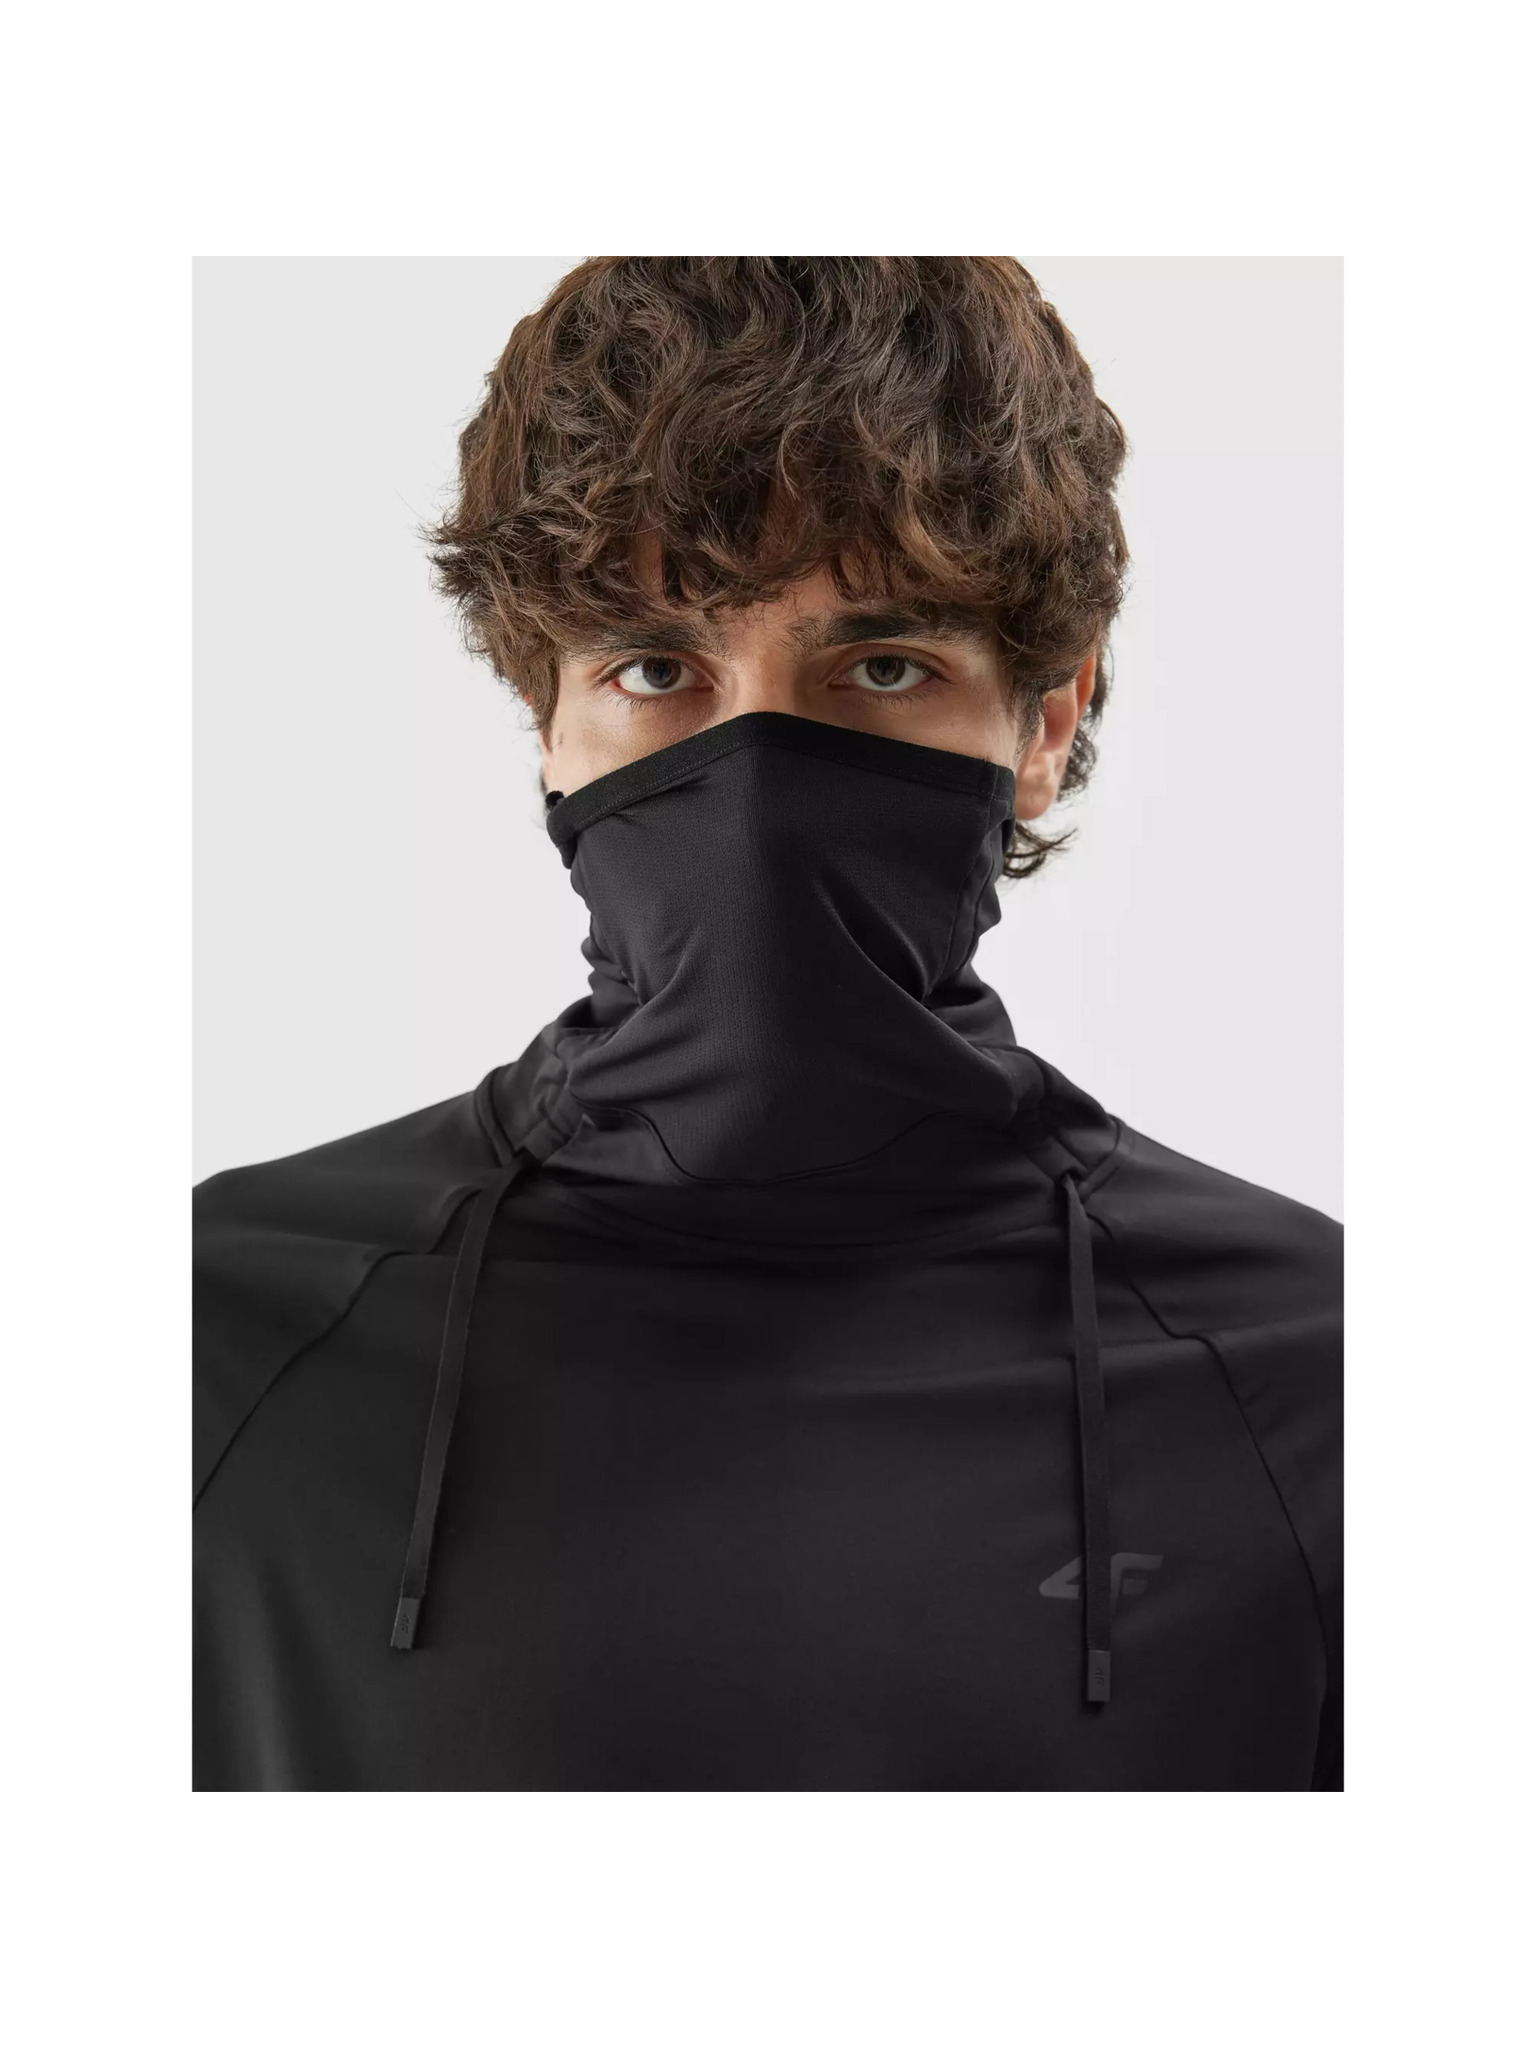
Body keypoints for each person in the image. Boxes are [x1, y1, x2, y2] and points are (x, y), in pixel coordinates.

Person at [193, 257, 1342, 1791]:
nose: (754, 787)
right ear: (550, 725)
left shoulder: (1333, 1383)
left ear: (1045, 725)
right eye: (656, 668)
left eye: (883, 666)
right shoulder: (203, 1345)